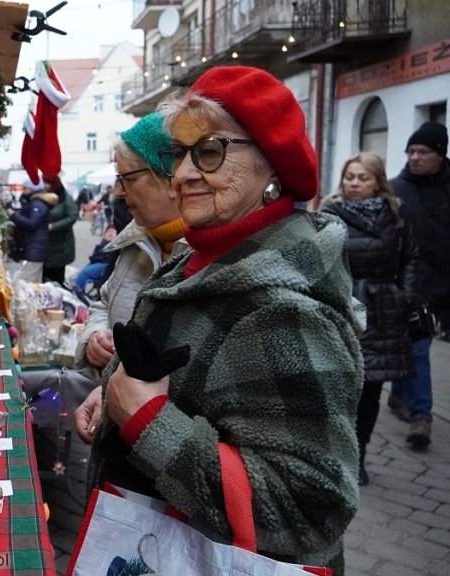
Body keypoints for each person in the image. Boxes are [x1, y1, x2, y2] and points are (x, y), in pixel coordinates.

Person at [74, 66, 363, 573]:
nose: (183, 174)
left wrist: (148, 421)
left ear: (271, 165)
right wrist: (116, 391)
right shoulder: (203, 257)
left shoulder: (284, 311)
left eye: (209, 152)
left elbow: (311, 506)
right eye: (179, 154)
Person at [320, 152, 425, 485]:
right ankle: (333, 454)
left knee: (370, 390)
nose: (354, 183)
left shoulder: (395, 214)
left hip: (383, 311)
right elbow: (317, 260)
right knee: (338, 387)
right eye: (349, 176)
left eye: (362, 178)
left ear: (378, 181)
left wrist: (405, 297)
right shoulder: (330, 212)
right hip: (341, 309)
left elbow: (411, 258)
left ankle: (358, 456)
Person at [73, 112, 184, 383]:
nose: (118, 193)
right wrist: (94, 338)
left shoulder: (207, 254)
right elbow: (104, 304)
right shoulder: (136, 241)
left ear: (169, 178)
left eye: (128, 179)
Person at [388, 121, 449, 448]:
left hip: (443, 285)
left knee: (411, 347)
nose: (414, 157)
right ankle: (422, 416)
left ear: (440, 154)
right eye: (411, 151)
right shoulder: (395, 190)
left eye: (422, 152)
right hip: (409, 285)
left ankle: (399, 393)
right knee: (418, 346)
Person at [8, 176, 57, 283]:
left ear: (32, 189)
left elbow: (32, 224)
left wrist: (14, 216)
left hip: (35, 250)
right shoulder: (36, 202)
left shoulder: (38, 204)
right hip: (35, 248)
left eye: (25, 188)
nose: (23, 191)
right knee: (34, 284)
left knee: (27, 283)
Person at [43, 176, 79, 284]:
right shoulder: (45, 196)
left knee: (57, 278)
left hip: (62, 244)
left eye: (47, 183)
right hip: (47, 244)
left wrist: (54, 226)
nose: (45, 185)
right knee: (45, 277)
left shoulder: (65, 198)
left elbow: (73, 216)